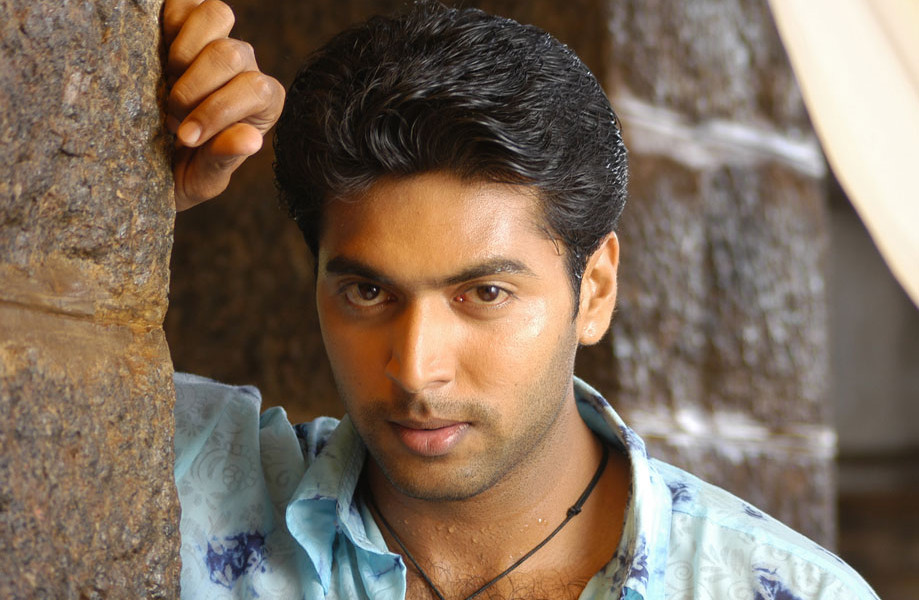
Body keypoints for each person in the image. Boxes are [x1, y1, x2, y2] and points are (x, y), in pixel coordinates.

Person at [164, 1, 879, 598]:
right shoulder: (189, 485)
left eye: (484, 293)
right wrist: (136, 186)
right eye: (368, 291)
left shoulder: (780, 590)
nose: (416, 371)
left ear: (593, 290)